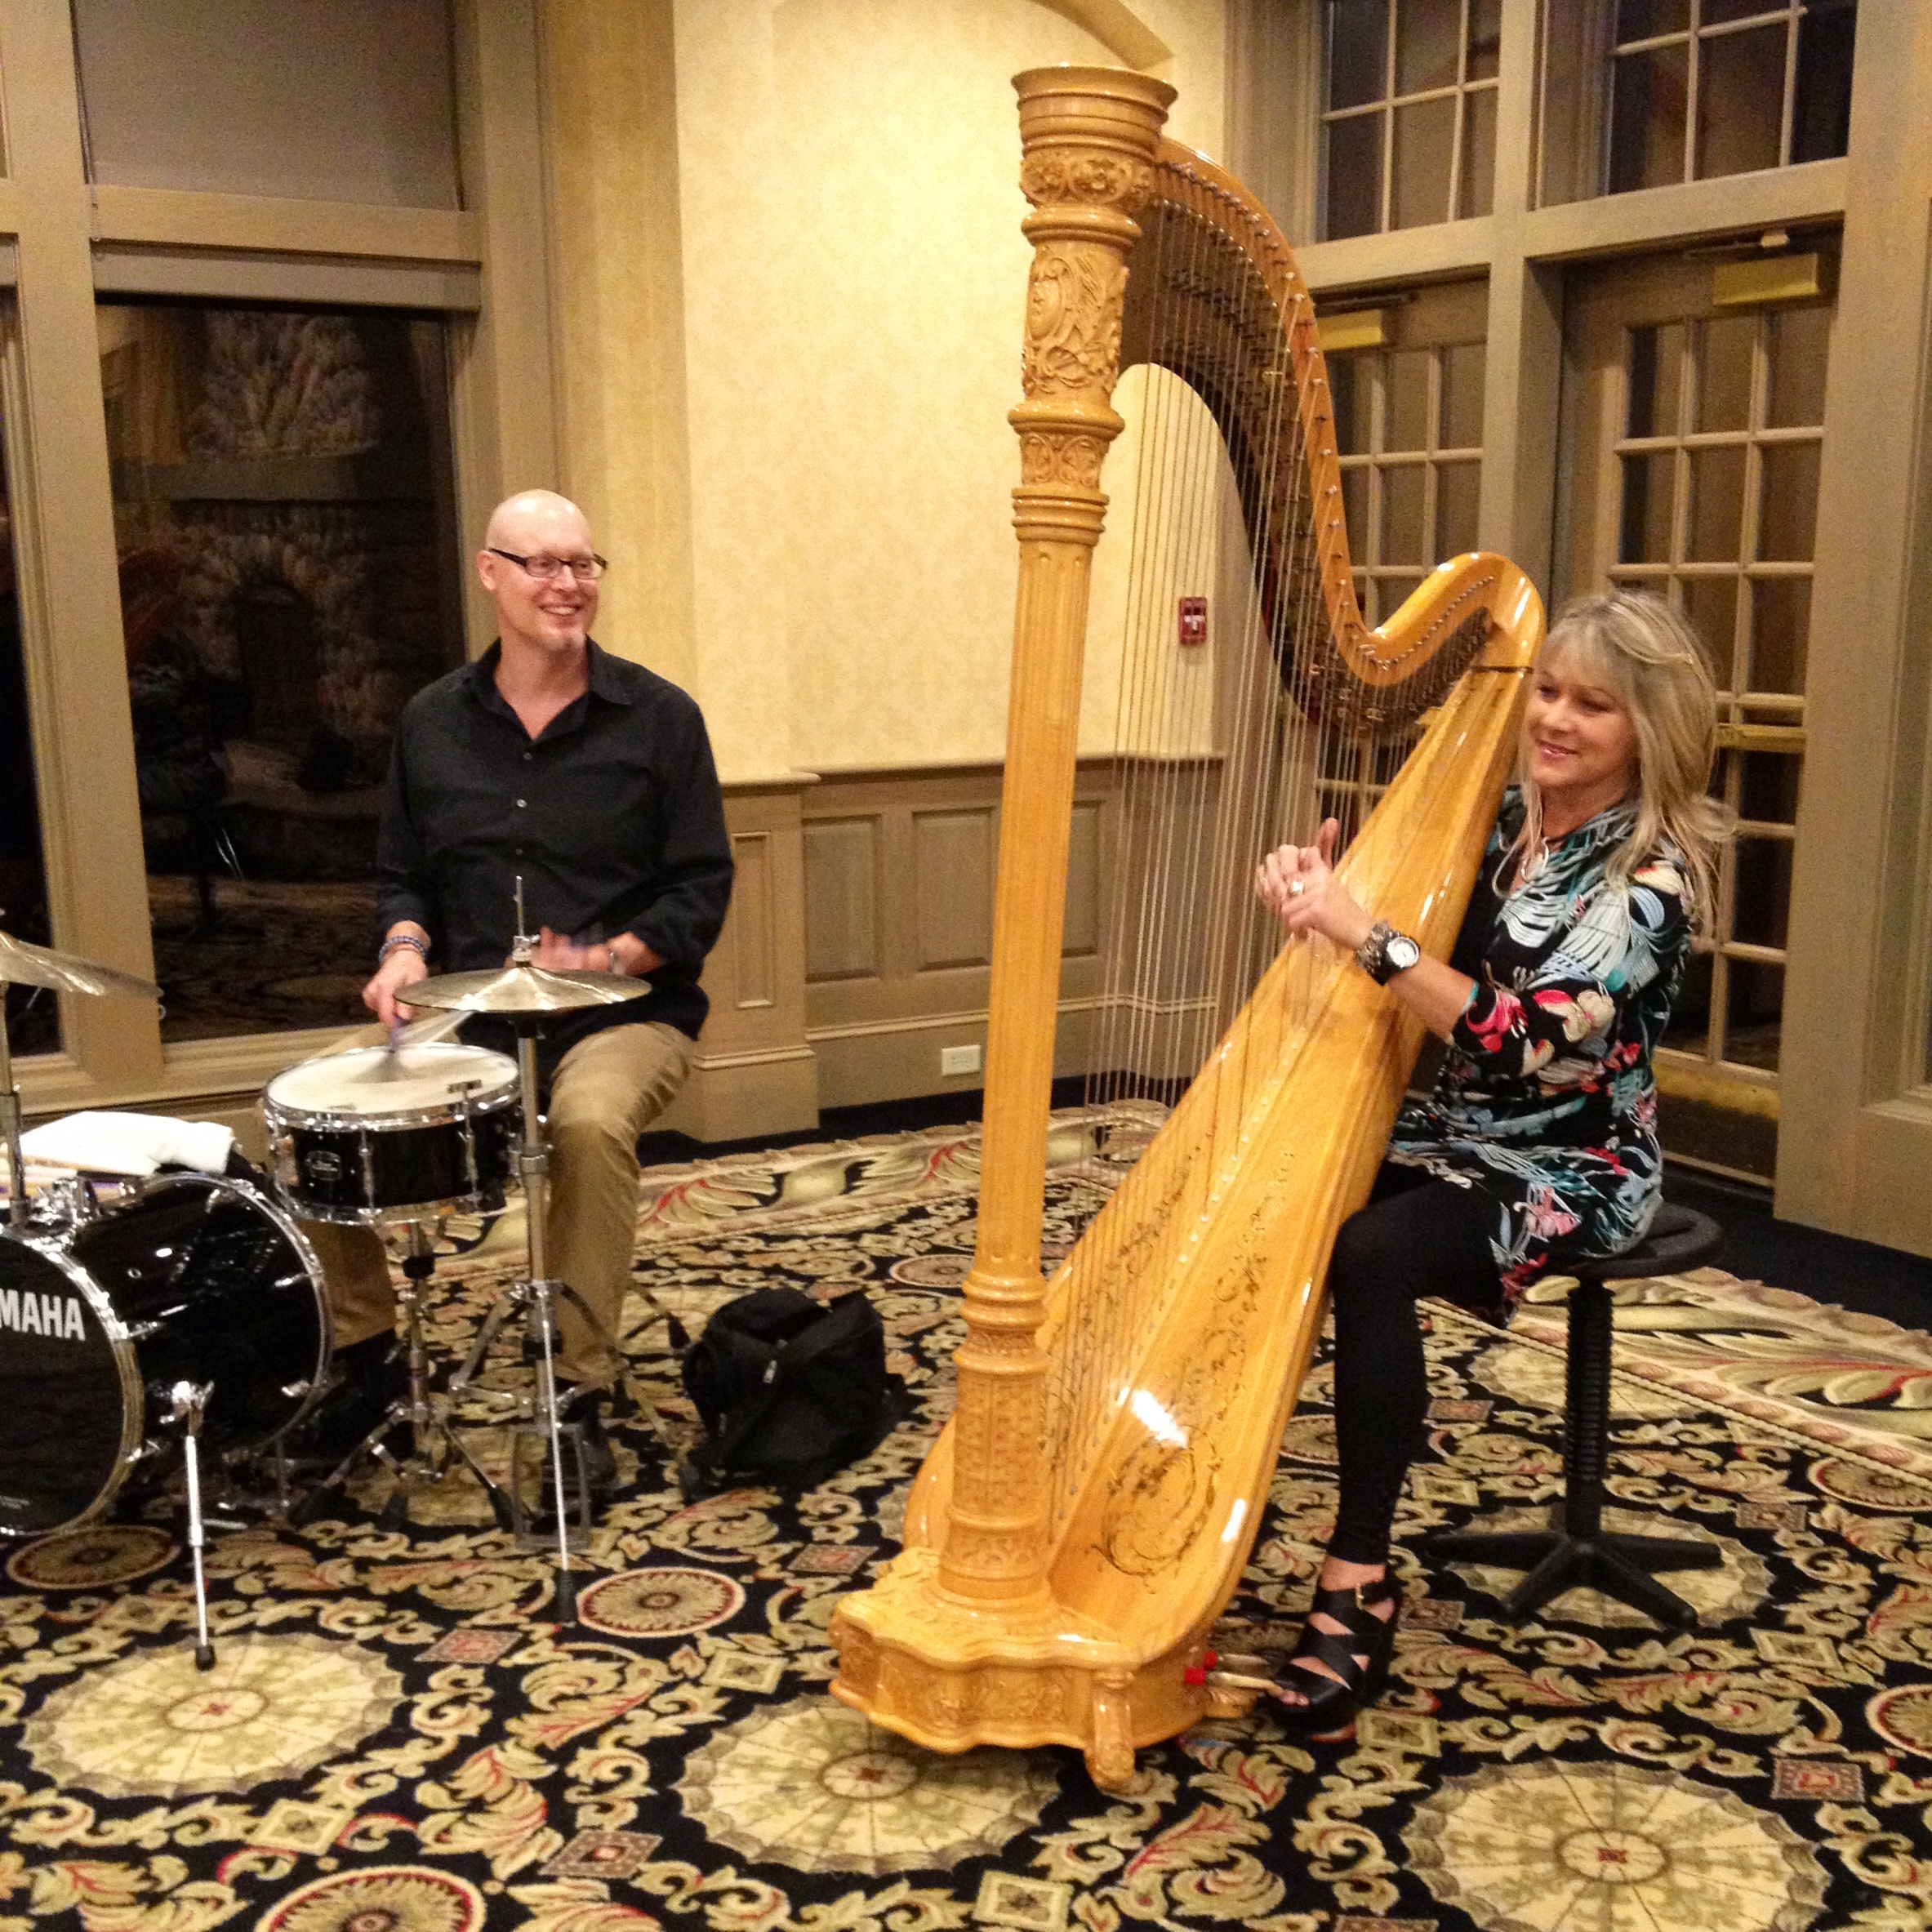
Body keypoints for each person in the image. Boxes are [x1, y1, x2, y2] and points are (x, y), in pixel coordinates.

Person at [1252, 590, 1729, 1729]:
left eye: (1593, 705)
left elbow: (1517, 1039)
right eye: (1548, 690)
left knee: (1371, 1250)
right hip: (1459, 1136)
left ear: (1646, 730)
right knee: (1273, 1188)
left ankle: (1354, 1581)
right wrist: (1309, 896)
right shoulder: (1502, 817)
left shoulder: (1646, 886)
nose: (1554, 717)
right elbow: (1394, 945)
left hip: (1575, 1163)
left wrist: (1362, 929)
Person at [300, 490, 733, 1490]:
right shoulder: (431, 721)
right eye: (539, 563)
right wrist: (404, 946)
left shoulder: (661, 719)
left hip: (627, 1011)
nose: (565, 584)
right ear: (489, 573)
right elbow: (403, 873)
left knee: (584, 1123)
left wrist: (606, 956)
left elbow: (700, 888)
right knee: (311, 1102)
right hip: (470, 1009)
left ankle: (577, 1386)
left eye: (581, 564)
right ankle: (369, 1362)